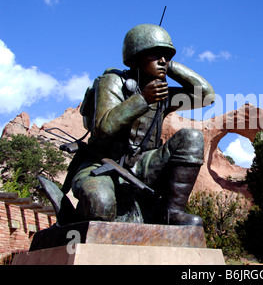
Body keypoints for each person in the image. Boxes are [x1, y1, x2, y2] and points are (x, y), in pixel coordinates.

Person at [70, 24, 215, 226]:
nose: (162, 60)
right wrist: (142, 99)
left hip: (143, 164)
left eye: (166, 55)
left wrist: (171, 68)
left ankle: (172, 213)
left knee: (192, 137)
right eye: (155, 55)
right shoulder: (113, 81)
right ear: (136, 56)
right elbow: (103, 128)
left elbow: (206, 97)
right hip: (102, 164)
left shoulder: (161, 92)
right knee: (101, 207)